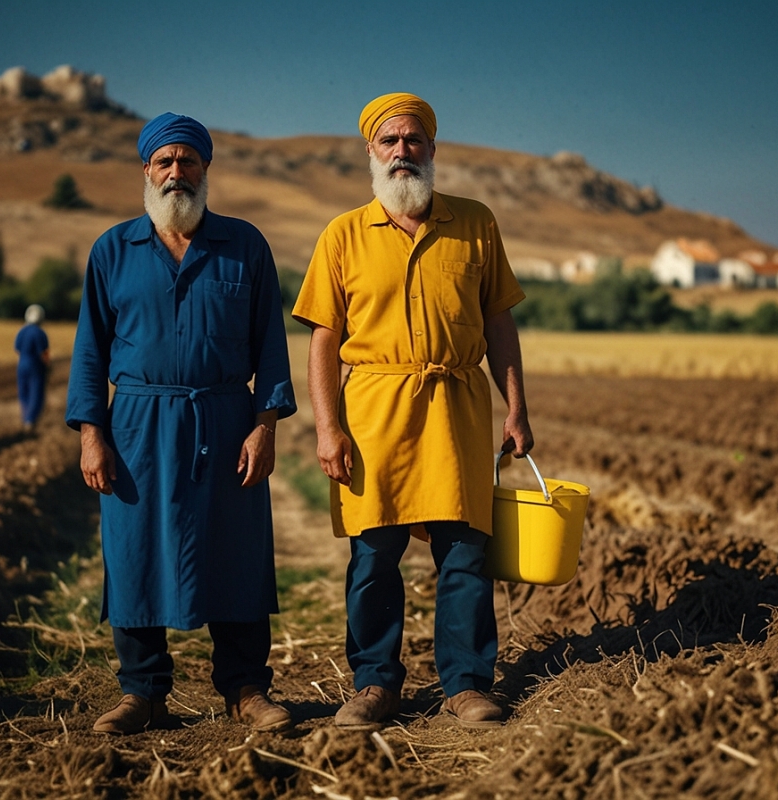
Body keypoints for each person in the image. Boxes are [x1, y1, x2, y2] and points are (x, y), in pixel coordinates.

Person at [292, 93, 533, 731]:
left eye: (414, 140)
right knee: (373, 555)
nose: (403, 151)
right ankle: (374, 685)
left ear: (431, 149)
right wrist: (328, 426)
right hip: (372, 412)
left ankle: (466, 684)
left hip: (456, 407)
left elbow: (499, 321)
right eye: (390, 142)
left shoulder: (476, 223)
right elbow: (321, 337)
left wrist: (516, 407)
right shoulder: (342, 234)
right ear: (371, 152)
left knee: (465, 553)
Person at [66, 112, 297, 735]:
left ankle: (246, 689)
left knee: (237, 551)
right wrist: (92, 434)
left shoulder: (244, 244)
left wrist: (265, 426)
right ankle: (142, 693)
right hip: (137, 425)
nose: (176, 172)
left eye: (188, 161)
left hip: (224, 422)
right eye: (164, 162)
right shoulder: (113, 250)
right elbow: (90, 349)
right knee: (134, 549)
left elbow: (270, 343)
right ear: (146, 171)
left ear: (205, 169)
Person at [15, 304, 50, 430]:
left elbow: (18, 350)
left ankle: (25, 417)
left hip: (22, 365)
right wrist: (48, 367)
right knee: (35, 392)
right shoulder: (40, 333)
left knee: (23, 391)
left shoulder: (22, 331)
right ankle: (30, 420)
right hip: (35, 366)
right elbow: (43, 354)